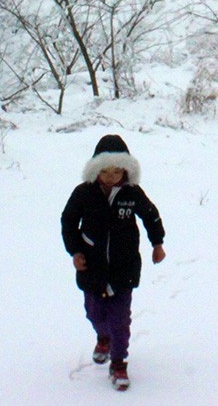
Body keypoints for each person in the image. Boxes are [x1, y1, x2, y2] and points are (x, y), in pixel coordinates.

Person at [61, 134, 166, 391]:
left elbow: (150, 216)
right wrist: (75, 251)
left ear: (126, 170)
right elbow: (68, 221)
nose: (111, 176)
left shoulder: (132, 194)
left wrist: (157, 243)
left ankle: (118, 363)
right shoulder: (84, 193)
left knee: (120, 318)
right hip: (91, 268)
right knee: (94, 312)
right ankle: (103, 337)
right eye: (105, 171)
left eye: (117, 170)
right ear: (96, 169)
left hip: (124, 268)